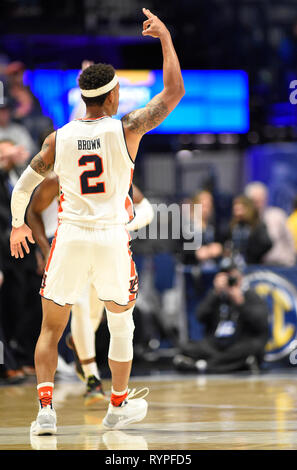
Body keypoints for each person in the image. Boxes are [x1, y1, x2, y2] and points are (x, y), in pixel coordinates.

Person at [9, 8, 184, 435]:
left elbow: (23, 188)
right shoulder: (127, 128)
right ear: (111, 97)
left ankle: (45, 412)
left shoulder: (57, 137)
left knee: (52, 327)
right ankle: (117, 405)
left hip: (68, 237)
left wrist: (19, 224)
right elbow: (174, 90)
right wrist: (164, 38)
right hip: (109, 238)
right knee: (121, 322)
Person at [26, 174, 154, 405]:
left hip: (106, 242)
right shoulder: (60, 174)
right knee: (81, 307)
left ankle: (82, 350)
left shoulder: (114, 167)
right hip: (68, 242)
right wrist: (45, 250)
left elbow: (145, 207)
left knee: (98, 312)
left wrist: (125, 224)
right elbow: (32, 209)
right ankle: (92, 378)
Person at [173, 259, 270, 373]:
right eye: (225, 275)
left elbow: (261, 324)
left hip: (239, 344)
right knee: (186, 347)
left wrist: (241, 304)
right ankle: (222, 364)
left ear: (240, 277)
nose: (229, 279)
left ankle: (204, 366)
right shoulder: (217, 296)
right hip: (216, 345)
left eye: (231, 275)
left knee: (253, 348)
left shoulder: (250, 296)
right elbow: (200, 316)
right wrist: (215, 293)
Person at [244, 182, 296, 267]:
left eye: (261, 199)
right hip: (258, 267)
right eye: (255, 201)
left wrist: (291, 262)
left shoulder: (277, 215)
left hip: (282, 266)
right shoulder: (246, 220)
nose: (258, 204)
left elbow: (290, 240)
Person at [227, 194, 272, 265]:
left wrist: (251, 254)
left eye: (240, 209)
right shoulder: (234, 225)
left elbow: (267, 243)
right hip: (235, 263)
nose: (237, 213)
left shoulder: (257, 225)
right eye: (235, 210)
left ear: (247, 209)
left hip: (252, 264)